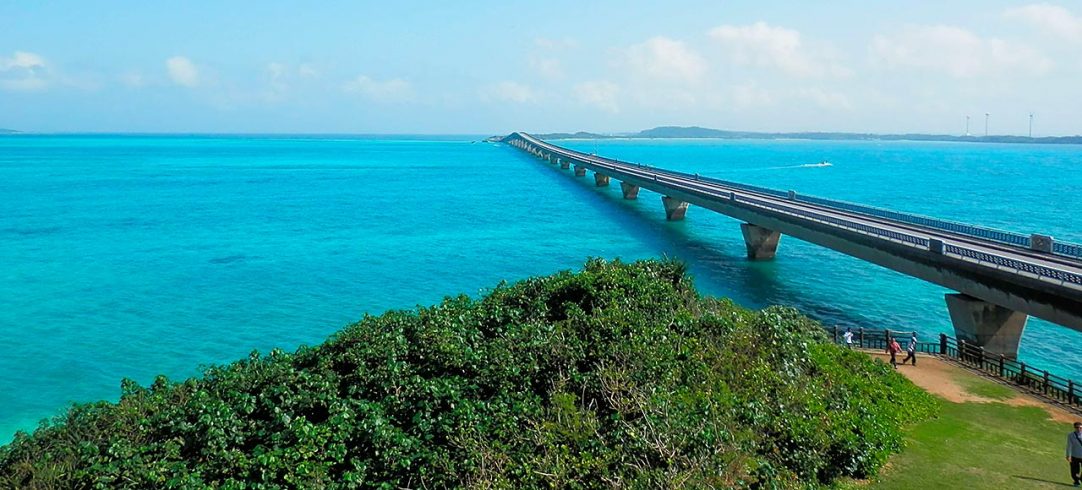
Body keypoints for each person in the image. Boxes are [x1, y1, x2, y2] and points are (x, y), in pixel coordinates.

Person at [1068, 421, 1082, 486]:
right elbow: (1069, 445)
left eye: (1080, 428)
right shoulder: (1071, 435)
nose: (1079, 429)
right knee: (1074, 470)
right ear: (1074, 428)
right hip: (1074, 455)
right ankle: (1076, 481)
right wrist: (1068, 455)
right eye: (1077, 428)